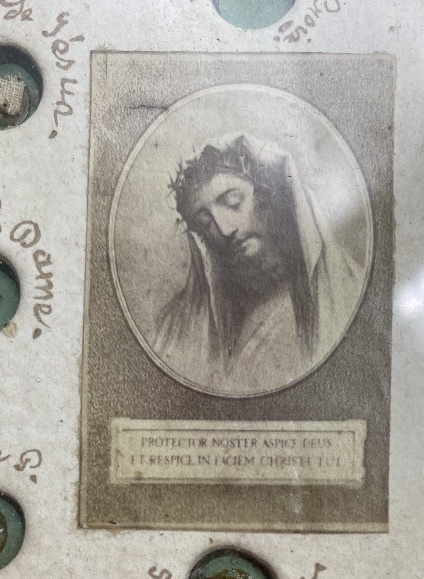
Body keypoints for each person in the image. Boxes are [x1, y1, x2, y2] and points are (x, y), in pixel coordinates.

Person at [153, 133, 366, 395]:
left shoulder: (347, 292)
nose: (224, 228)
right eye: (205, 223)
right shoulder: (176, 325)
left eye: (233, 202)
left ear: (268, 196)